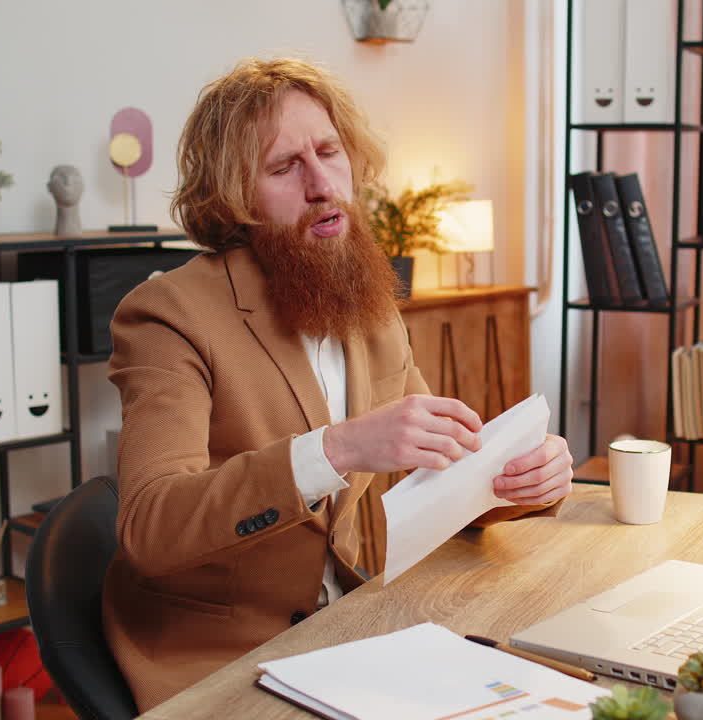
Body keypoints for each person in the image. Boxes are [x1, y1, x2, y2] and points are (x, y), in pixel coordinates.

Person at [100, 57, 575, 710]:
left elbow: (432, 480)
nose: (323, 184)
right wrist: (338, 448)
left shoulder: (368, 303)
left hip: (346, 627)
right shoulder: (168, 315)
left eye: (329, 152)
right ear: (233, 199)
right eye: (283, 166)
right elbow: (152, 529)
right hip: (216, 656)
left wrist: (516, 482)